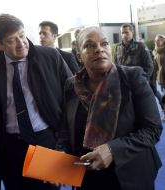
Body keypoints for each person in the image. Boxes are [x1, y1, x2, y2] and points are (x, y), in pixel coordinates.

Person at [0, 13, 71, 190]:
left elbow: (72, 100)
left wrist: (66, 145)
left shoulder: (50, 57)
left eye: (22, 35)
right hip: (10, 147)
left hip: (46, 141)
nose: (21, 44)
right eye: (12, 40)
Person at [57, 26, 162, 190]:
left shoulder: (132, 77)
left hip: (131, 176)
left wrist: (112, 150)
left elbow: (152, 129)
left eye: (104, 43)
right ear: (79, 56)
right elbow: (65, 128)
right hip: (87, 175)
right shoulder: (71, 85)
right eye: (90, 45)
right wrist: (62, 152)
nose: (99, 49)